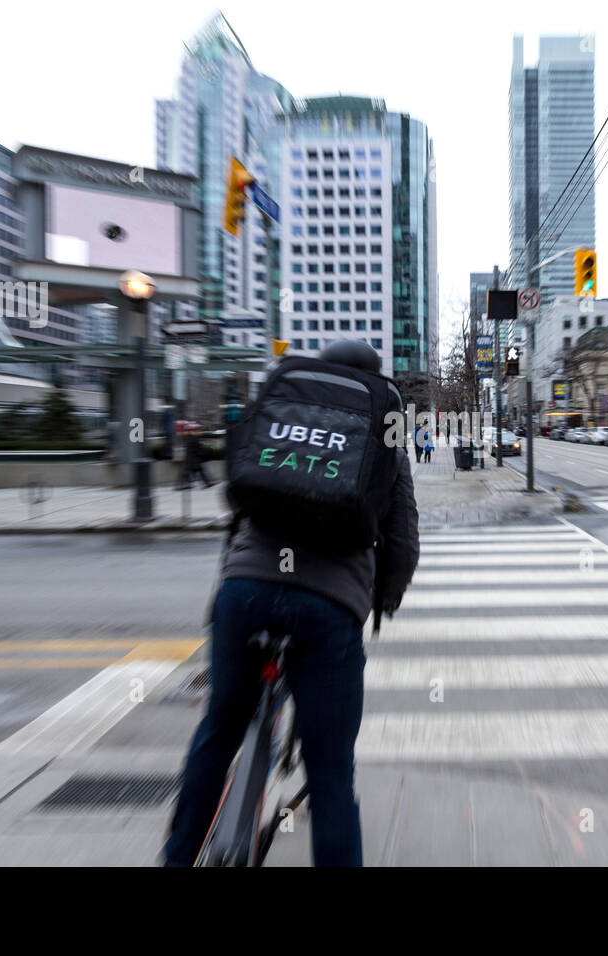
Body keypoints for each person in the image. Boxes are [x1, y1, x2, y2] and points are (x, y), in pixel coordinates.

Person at [163, 340, 419, 867]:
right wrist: (382, 600)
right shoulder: (382, 419)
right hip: (328, 607)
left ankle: (176, 858)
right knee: (330, 774)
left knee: (217, 734)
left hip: (246, 589)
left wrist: (228, 589)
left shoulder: (287, 398)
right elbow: (403, 540)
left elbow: (240, 498)